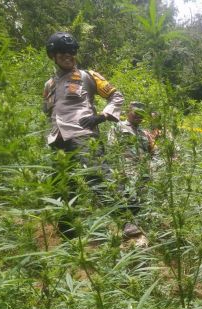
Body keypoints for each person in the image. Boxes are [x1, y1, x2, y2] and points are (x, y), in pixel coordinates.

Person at [42, 32, 127, 237]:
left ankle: (126, 221)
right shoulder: (49, 85)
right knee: (61, 185)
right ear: (53, 55)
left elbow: (116, 96)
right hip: (58, 139)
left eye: (71, 52)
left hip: (83, 134)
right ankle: (68, 233)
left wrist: (102, 116)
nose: (68, 56)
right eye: (62, 52)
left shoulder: (88, 76)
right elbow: (47, 111)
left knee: (99, 177)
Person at [108, 102, 154, 242]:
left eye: (141, 115)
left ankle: (139, 225)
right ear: (129, 112)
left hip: (143, 169)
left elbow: (150, 151)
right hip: (126, 168)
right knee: (129, 196)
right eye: (136, 114)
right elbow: (112, 147)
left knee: (142, 197)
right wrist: (118, 168)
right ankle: (127, 226)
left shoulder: (143, 132)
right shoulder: (118, 127)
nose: (139, 117)